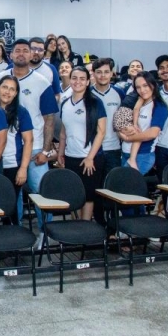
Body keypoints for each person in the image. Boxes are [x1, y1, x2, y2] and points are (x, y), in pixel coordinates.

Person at [0, 40, 58, 234]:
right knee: (13, 194)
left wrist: (46, 150)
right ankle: (16, 233)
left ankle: (46, 233)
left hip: (35, 147)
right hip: (8, 148)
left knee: (40, 191)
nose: (21, 53)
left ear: (31, 54)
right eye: (17, 50)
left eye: (25, 50)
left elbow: (49, 119)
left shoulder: (42, 82)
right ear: (10, 55)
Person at [57, 66, 107, 221]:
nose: (77, 82)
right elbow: (63, 133)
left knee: (88, 196)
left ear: (87, 82)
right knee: (74, 196)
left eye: (82, 79)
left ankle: (86, 227)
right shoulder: (65, 103)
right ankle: (77, 226)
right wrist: (60, 153)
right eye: (74, 78)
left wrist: (90, 157)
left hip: (89, 158)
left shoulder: (95, 103)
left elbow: (101, 132)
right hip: (71, 156)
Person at [0, 75, 34, 223]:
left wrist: (23, 168)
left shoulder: (21, 112)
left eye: (12, 89)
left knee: (10, 207)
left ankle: (12, 234)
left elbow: (28, 140)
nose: (7, 92)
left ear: (16, 93)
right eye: (5, 87)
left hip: (12, 165)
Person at [118, 71, 168, 176]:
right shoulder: (136, 101)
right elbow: (120, 122)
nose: (142, 90)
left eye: (145, 85)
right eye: (138, 87)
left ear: (153, 85)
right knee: (122, 185)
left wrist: (128, 138)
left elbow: (152, 133)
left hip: (142, 155)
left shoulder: (159, 106)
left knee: (129, 184)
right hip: (125, 152)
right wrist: (121, 133)